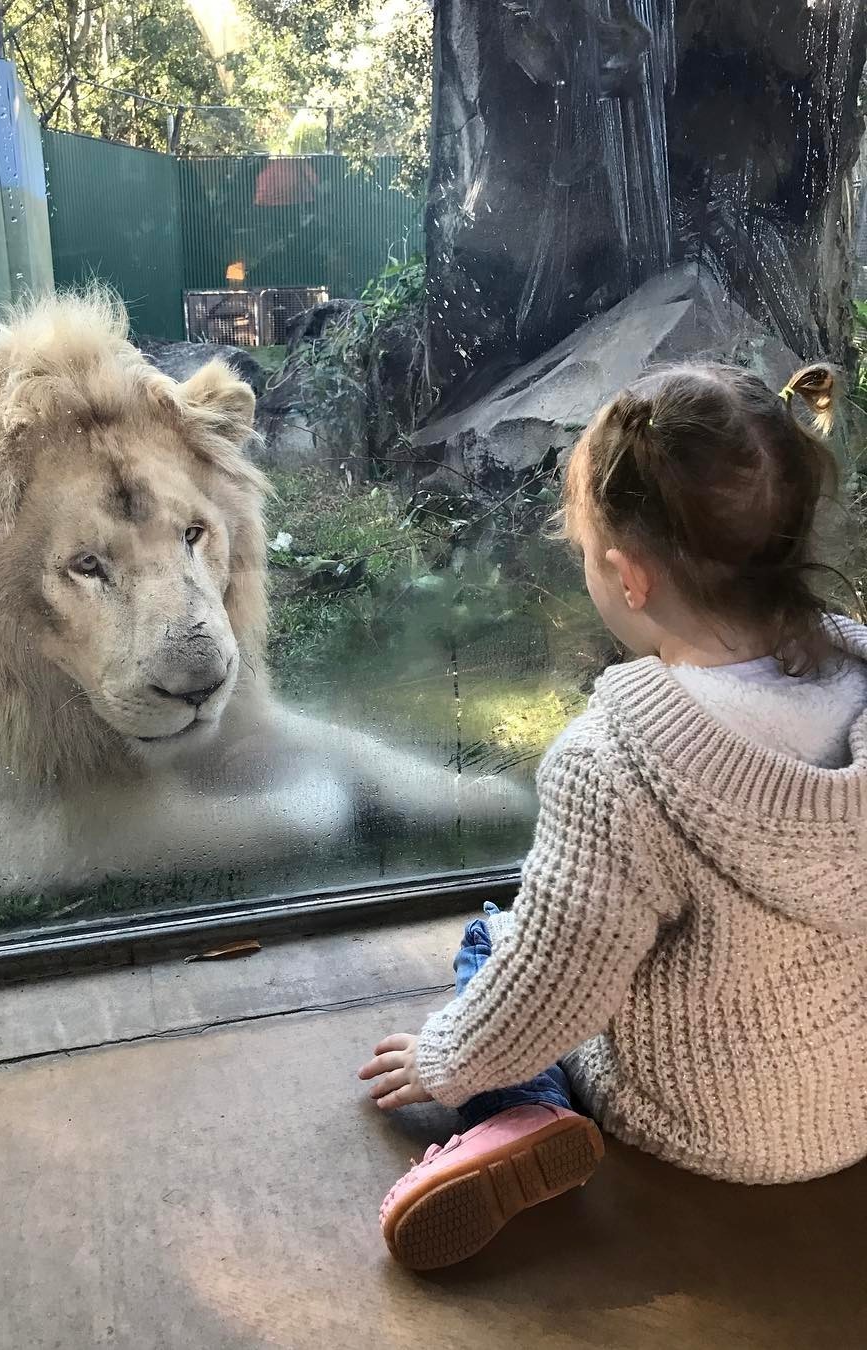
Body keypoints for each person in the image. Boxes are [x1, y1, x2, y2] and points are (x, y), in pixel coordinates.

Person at [358, 362, 867, 1271]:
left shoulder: (614, 765)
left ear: (629, 578)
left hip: (697, 1122)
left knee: (495, 938)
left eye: (585, 549)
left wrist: (444, 1061)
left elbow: (556, 987)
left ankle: (524, 1115)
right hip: (852, 1104)